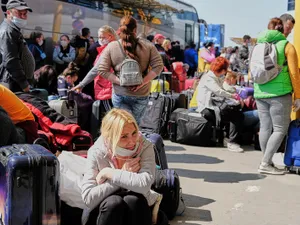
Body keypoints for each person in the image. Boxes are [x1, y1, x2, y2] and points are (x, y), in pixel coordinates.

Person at [81, 109, 160, 225]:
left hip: (136, 204)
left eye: (134, 133)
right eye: (123, 137)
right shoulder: (96, 151)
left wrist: (109, 173)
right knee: (114, 203)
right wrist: (121, 173)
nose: (132, 141)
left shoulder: (145, 146)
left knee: (134, 200)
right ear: (109, 137)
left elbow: (144, 184)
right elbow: (89, 198)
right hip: (104, 209)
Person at [254, 17, 300, 175]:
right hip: (279, 94)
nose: (290, 31)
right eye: (289, 28)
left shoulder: (259, 44)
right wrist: (298, 96)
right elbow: (294, 74)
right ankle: (266, 163)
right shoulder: (287, 46)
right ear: (282, 28)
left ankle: (266, 161)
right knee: (280, 129)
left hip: (260, 92)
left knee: (265, 127)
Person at [97, 16, 164, 124]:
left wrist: (121, 82)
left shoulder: (112, 46)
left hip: (120, 92)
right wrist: (142, 82)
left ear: (120, 28)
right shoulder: (148, 46)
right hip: (141, 94)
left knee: (122, 125)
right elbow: (158, 66)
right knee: (134, 126)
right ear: (135, 30)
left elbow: (102, 70)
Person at [196, 57, 244, 153]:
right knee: (236, 115)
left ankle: (227, 138)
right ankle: (232, 142)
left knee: (232, 111)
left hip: (211, 106)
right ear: (222, 70)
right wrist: (233, 96)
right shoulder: (209, 78)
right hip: (207, 108)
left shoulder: (213, 76)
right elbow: (218, 91)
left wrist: (233, 91)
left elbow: (224, 88)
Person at [73, 25, 117, 103]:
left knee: (109, 114)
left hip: (106, 90)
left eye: (102, 37)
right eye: (99, 37)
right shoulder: (113, 47)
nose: (100, 40)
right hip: (108, 89)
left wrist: (82, 84)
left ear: (110, 36)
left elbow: (96, 69)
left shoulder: (108, 49)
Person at [0, 0, 34, 93]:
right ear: (8, 12)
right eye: (19, 13)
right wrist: (24, 84)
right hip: (13, 84)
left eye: (25, 14)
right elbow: (11, 61)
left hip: (16, 83)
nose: (23, 17)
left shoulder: (13, 29)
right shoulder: (8, 31)